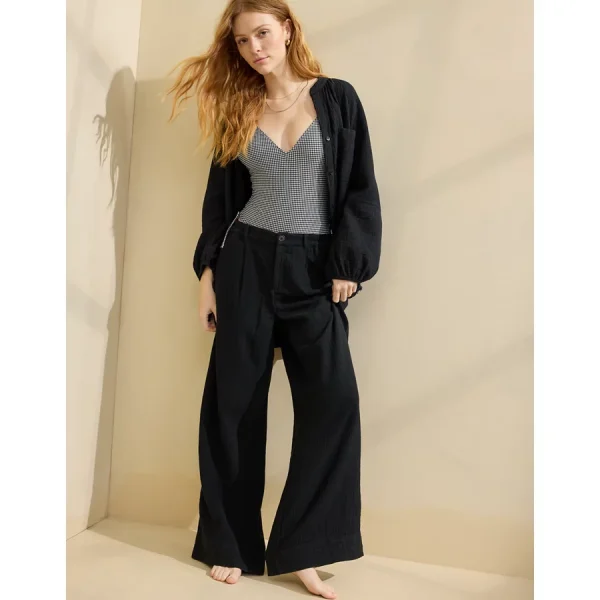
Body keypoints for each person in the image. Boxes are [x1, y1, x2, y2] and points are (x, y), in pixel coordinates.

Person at [166, 1, 382, 597]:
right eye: (242, 41)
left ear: (286, 30)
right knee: (233, 404)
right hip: (248, 264)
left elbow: (360, 186)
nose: (254, 48)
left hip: (315, 270)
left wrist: (348, 264)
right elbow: (221, 200)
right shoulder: (237, 107)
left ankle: (305, 548)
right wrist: (208, 277)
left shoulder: (336, 99)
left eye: (262, 33)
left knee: (332, 403)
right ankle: (230, 542)